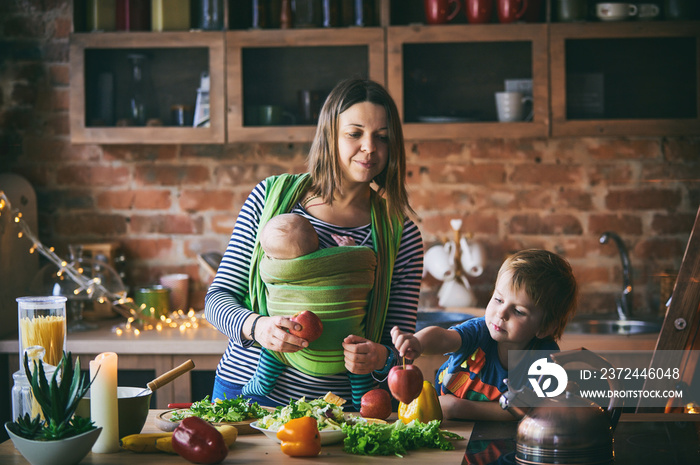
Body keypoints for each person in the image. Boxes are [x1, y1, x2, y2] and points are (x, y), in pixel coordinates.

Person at [205, 78, 423, 410]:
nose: (370, 147)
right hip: (249, 397)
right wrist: (258, 327)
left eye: (382, 137)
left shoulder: (400, 234)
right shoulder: (271, 200)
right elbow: (217, 300)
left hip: (340, 410)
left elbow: (399, 345)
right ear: (330, 135)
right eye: (354, 134)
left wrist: (379, 356)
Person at [391, 249, 578, 421]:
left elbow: (527, 410)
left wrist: (460, 408)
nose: (501, 313)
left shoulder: (544, 358)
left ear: (544, 328)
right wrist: (418, 342)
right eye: (498, 299)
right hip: (450, 425)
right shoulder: (480, 330)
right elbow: (443, 338)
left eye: (518, 311)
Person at [244, 212, 377, 404]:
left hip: (292, 350)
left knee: (273, 346)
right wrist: (350, 250)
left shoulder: (272, 268)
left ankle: (262, 382)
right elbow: (361, 262)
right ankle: (362, 398)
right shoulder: (341, 261)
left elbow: (259, 273)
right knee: (359, 359)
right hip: (345, 350)